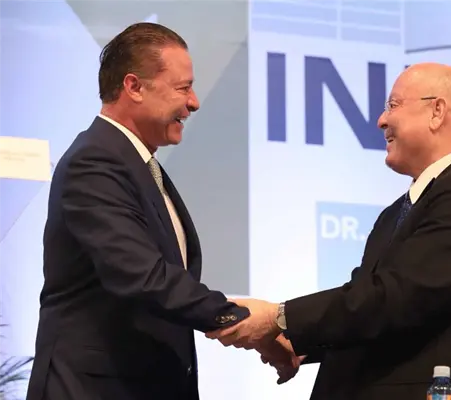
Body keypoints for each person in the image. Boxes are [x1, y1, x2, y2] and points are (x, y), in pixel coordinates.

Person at [207, 63, 451, 399]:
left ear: (437, 111)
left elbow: (398, 298)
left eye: (393, 105)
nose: (381, 120)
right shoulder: (399, 212)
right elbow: (372, 312)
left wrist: (281, 317)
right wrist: (296, 343)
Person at [25, 22, 284, 400]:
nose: (194, 102)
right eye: (183, 88)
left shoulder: (137, 164)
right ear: (134, 87)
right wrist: (243, 319)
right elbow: (144, 276)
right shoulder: (94, 161)